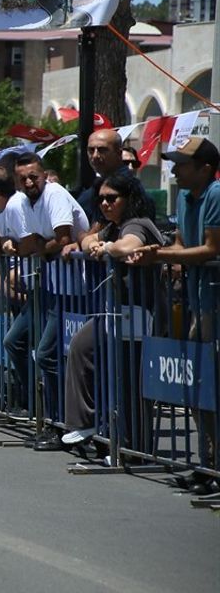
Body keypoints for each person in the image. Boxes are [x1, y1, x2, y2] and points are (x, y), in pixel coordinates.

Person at [127, 136, 220, 486]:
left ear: (205, 169)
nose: (175, 170)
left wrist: (160, 256)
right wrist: (160, 250)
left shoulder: (215, 194)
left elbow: (210, 249)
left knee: (212, 384)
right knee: (200, 387)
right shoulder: (183, 196)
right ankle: (208, 463)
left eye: (182, 164)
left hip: (215, 304)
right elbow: (182, 243)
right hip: (198, 302)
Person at [61, 170, 165, 447]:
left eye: (112, 198)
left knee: (130, 381)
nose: (105, 204)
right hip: (117, 314)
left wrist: (107, 247)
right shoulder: (113, 225)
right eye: (102, 199)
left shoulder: (136, 223)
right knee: (84, 349)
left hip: (141, 314)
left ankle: (134, 447)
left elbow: (129, 245)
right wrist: (94, 242)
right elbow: (85, 239)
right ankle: (88, 425)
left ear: (129, 198)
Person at [2, 152, 89, 448]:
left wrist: (40, 247)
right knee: (14, 340)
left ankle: (61, 423)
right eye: (23, 178)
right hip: (50, 286)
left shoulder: (54, 194)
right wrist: (30, 246)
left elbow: (62, 239)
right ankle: (40, 412)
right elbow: (29, 245)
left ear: (43, 175)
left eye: (33, 177)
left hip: (75, 289)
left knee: (47, 354)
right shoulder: (24, 201)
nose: (29, 182)